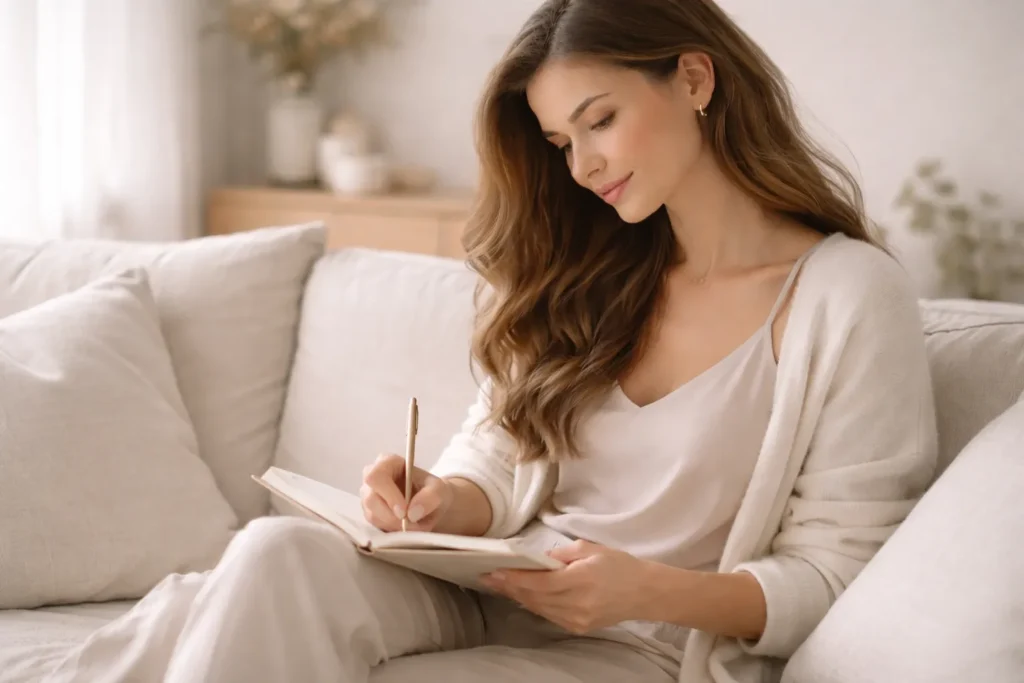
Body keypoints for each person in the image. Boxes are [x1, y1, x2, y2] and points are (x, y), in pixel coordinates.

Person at [45, 1, 938, 682]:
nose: (581, 166)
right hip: (483, 594)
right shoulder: (598, 267)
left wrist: (640, 589)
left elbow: (836, 573)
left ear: (695, 79)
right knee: (276, 551)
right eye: (560, 140)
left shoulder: (849, 298)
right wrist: (442, 501)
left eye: (599, 120)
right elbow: (502, 453)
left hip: (635, 647)